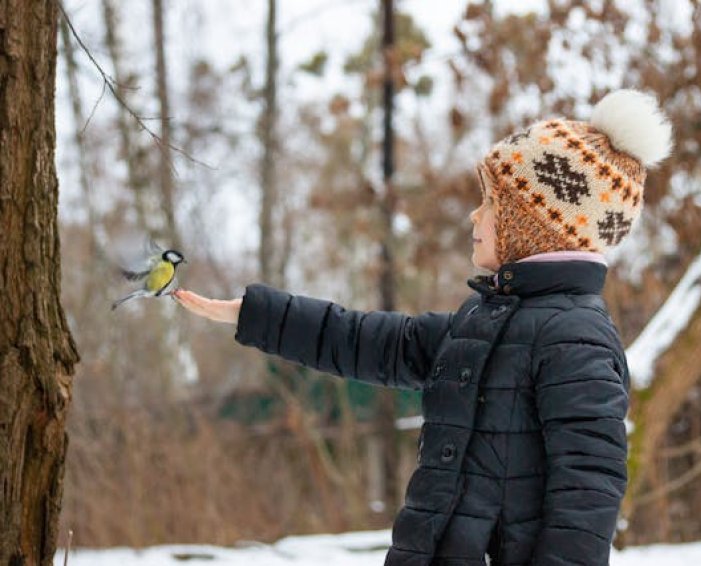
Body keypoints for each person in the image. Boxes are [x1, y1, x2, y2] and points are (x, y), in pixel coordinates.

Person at [175, 88, 672, 566]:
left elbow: (589, 490)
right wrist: (256, 314)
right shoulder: (479, 324)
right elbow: (366, 340)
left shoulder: (575, 338)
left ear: (533, 226)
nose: (475, 216)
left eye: (492, 204)